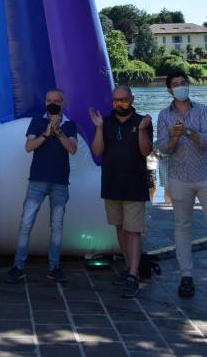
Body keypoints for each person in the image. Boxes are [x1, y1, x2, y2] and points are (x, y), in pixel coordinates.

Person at [7, 89, 77, 284]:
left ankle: (54, 267)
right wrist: (46, 134)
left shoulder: (70, 125)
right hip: (37, 181)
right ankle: (18, 266)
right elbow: (29, 147)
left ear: (64, 103)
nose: (52, 104)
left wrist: (59, 131)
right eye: (49, 100)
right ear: (45, 103)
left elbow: (72, 149)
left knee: (57, 226)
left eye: (56, 101)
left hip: (60, 183)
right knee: (26, 223)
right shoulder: (37, 122)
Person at [89, 85, 153, 298]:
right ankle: (128, 267)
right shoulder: (105, 122)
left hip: (134, 185)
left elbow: (145, 151)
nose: (120, 103)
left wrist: (143, 130)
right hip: (112, 184)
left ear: (132, 99)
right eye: (116, 100)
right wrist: (98, 128)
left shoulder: (142, 121)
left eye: (124, 99)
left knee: (133, 230)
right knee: (120, 228)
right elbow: (97, 151)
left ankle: (134, 275)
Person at [157, 70, 207, 299]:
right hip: (179, 177)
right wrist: (175, 137)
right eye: (175, 84)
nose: (180, 87)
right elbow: (164, 149)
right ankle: (186, 276)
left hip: (204, 175)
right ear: (169, 89)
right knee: (182, 226)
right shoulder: (163, 115)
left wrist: (188, 131)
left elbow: (205, 143)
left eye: (183, 83)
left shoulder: (203, 111)